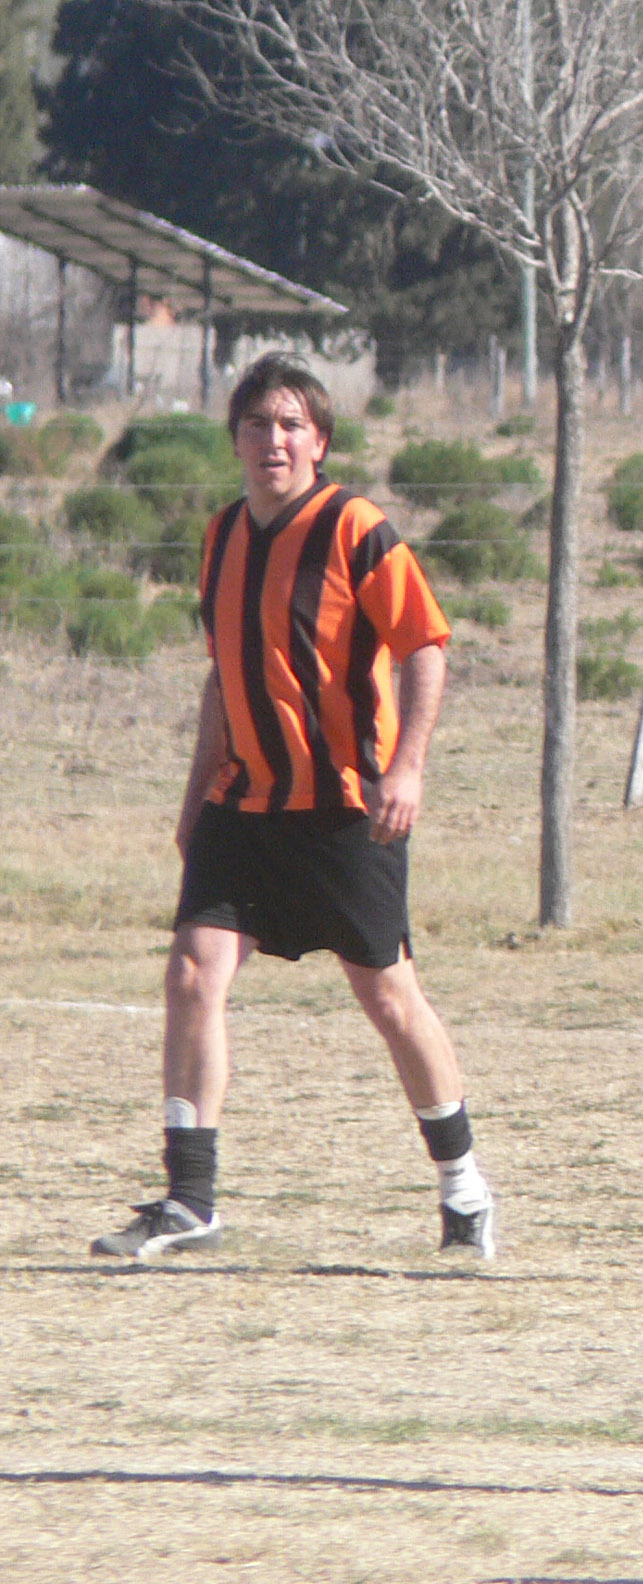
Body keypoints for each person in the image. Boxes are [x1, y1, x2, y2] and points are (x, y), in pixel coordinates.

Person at [91, 352, 494, 1261]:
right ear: (234, 438)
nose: (272, 440)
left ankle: (462, 1184)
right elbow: (221, 674)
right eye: (256, 424)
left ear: (318, 440)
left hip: (348, 808)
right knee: (193, 973)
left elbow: (426, 646)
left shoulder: (357, 527)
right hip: (246, 803)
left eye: (290, 425)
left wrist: (410, 768)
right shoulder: (223, 533)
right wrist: (196, 795)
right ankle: (189, 1200)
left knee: (389, 998)